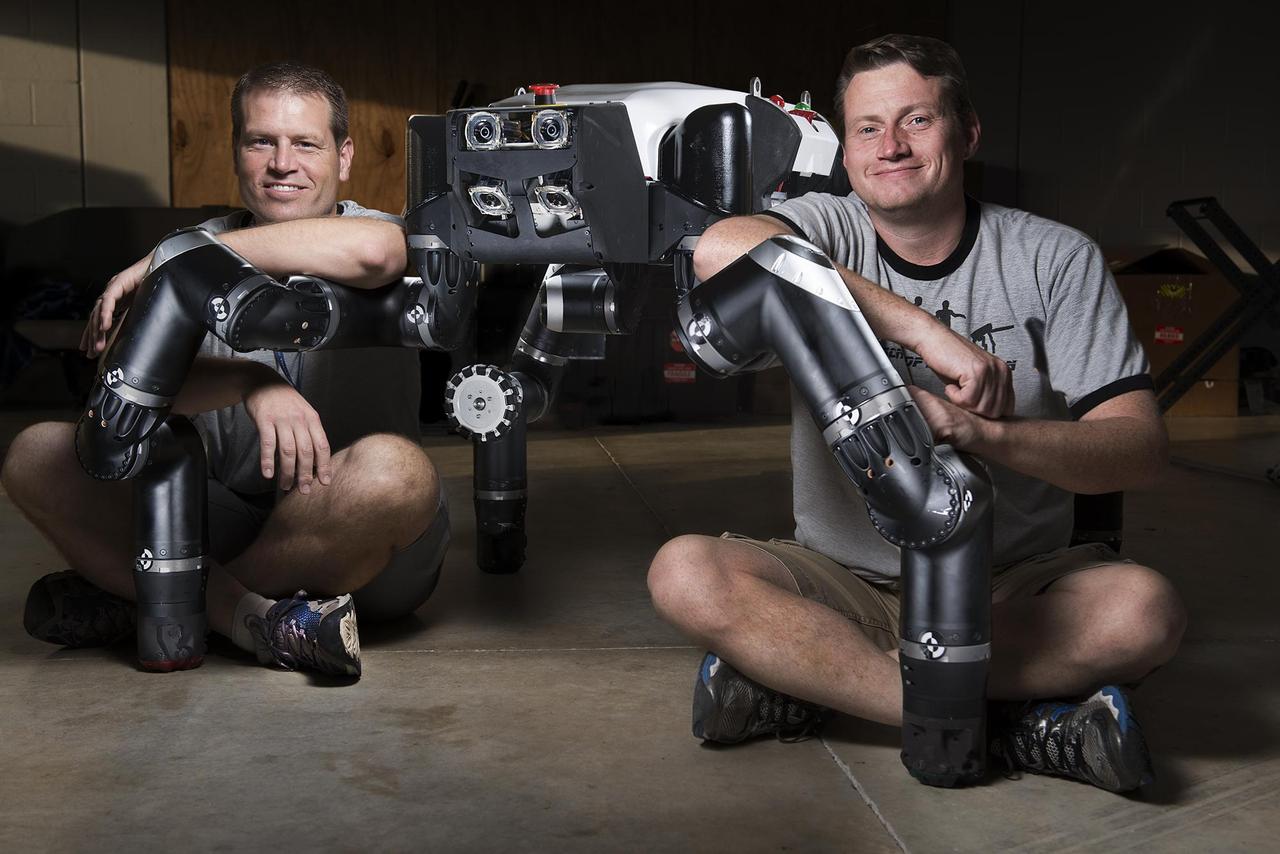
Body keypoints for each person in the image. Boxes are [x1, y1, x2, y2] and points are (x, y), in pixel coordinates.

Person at [646, 34, 1186, 792]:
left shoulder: (1054, 257)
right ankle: (1008, 727)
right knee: (685, 573)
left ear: (966, 132)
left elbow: (1137, 449)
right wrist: (927, 332)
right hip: (847, 581)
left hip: (1010, 585)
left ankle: (810, 682)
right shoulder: (824, 229)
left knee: (1142, 612)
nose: (890, 147)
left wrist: (984, 434)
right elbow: (721, 249)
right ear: (846, 150)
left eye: (916, 122)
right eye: (867, 128)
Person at [1, 62, 448, 678]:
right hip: (222, 516)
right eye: (261, 141)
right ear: (237, 151)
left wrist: (178, 257)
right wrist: (250, 383)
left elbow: (373, 257)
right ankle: (254, 620)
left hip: (353, 531)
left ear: (343, 157)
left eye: (305, 144)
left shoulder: (379, 231)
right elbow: (123, 383)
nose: (281, 163)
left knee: (398, 474)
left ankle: (162, 602)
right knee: (35, 454)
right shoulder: (195, 241)